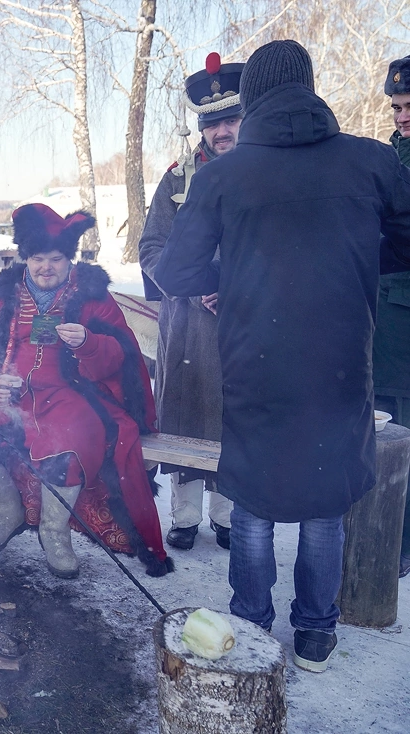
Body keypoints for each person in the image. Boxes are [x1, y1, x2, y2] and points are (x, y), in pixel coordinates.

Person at [155, 40, 410, 673]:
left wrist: (238, 268)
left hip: (255, 360)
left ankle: (252, 626)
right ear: (310, 86)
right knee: (325, 504)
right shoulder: (372, 161)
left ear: (258, 98)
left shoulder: (221, 176)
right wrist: (350, 262)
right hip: (341, 365)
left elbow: (176, 270)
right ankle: (316, 637)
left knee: (254, 501)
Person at [0, 203, 173, 579]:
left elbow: (121, 358)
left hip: (69, 393)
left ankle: (54, 530)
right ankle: (6, 514)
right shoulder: (7, 294)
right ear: (25, 259)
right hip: (5, 393)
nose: (45, 267)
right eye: (36, 259)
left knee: (72, 443)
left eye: (56, 259)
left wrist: (89, 343)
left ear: (70, 260)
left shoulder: (92, 296)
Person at [139, 53, 243, 552]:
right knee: (181, 414)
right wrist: (187, 282)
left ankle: (227, 516)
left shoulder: (264, 172)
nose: (221, 131)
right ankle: (183, 516)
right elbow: (151, 247)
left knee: (230, 418)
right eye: (212, 122)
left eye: (230, 119)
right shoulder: (177, 178)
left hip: (241, 324)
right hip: (183, 324)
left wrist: (239, 286)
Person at [377, 55, 410, 578]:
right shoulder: (389, 157)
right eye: (397, 105)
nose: (402, 115)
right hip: (388, 317)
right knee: (391, 425)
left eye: (409, 105)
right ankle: (393, 535)